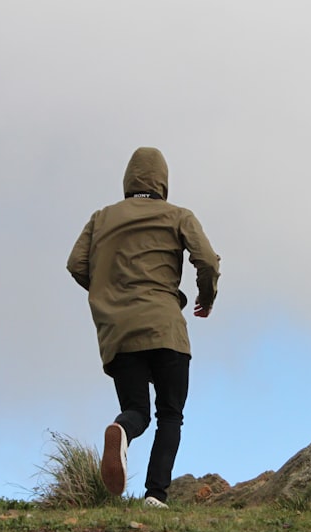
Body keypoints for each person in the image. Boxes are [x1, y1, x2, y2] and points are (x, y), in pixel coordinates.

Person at [66, 147, 221, 509]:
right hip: (165, 327)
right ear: (162, 182)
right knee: (170, 414)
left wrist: (111, 295)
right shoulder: (178, 215)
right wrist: (207, 297)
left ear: (128, 180)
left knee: (137, 410)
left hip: (119, 332)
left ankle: (121, 430)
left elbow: (76, 264)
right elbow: (208, 262)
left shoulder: (101, 218)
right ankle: (155, 495)